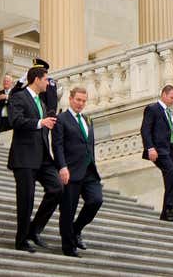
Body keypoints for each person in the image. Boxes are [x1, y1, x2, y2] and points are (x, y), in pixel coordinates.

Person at [6, 65, 62, 252]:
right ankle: (21, 240)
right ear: (36, 79)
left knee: (57, 188)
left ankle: (34, 230)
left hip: (43, 157)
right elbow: (16, 121)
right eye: (46, 79)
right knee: (26, 199)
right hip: (24, 156)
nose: (48, 83)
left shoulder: (42, 102)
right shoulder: (18, 97)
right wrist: (40, 122)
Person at [53, 86, 103, 256]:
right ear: (70, 99)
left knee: (96, 200)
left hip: (89, 170)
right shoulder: (62, 119)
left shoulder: (87, 119)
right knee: (68, 209)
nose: (81, 103)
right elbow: (57, 145)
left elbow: (90, 145)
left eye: (83, 101)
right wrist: (62, 166)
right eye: (78, 100)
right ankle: (68, 246)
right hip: (71, 170)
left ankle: (75, 230)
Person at [140, 84, 173, 222]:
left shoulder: (170, 113)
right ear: (164, 95)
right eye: (171, 97)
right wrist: (150, 148)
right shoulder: (153, 109)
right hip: (159, 150)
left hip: (170, 150)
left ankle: (166, 214)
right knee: (172, 173)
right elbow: (145, 129)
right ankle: (170, 207)